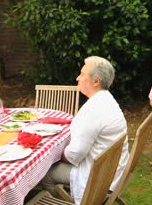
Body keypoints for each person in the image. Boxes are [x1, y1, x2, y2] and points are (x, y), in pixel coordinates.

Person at [40, 56, 129, 204]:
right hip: (111, 170)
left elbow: (74, 155)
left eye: (82, 74)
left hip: (98, 177)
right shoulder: (107, 100)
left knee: (43, 173)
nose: (77, 78)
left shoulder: (93, 109)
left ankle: (61, 201)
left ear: (96, 81)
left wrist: (57, 154)